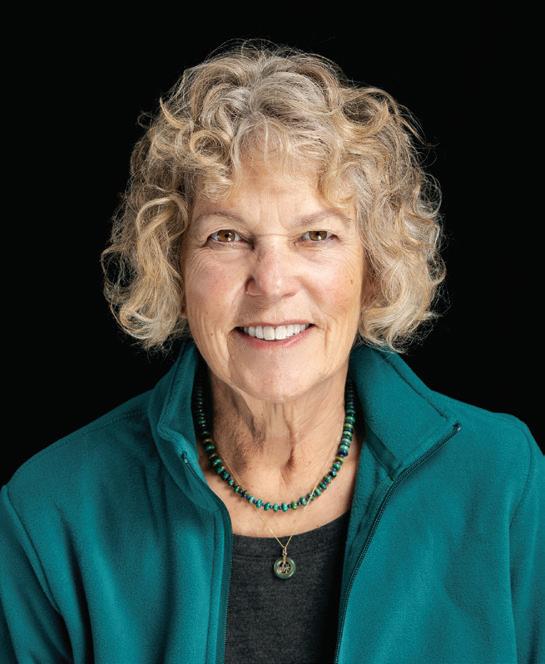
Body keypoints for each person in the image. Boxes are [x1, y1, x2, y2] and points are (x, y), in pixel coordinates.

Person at [1, 38, 543, 664]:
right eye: (227, 236)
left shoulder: (502, 481)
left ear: (374, 269)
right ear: (174, 269)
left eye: (316, 234)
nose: (273, 281)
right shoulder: (53, 514)